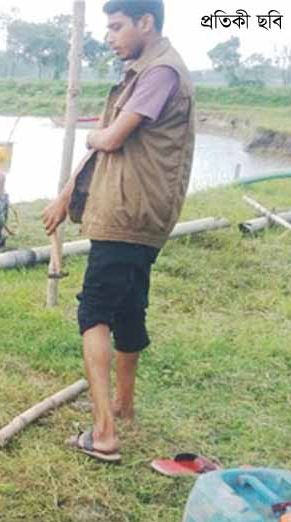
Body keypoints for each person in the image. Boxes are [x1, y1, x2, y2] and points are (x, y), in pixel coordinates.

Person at [41, 0, 195, 463]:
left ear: (145, 23)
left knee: (95, 313)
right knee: (129, 309)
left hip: (127, 214)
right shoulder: (146, 72)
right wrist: (68, 194)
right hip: (140, 213)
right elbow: (114, 151)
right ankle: (123, 408)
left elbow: (110, 140)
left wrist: (91, 133)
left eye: (116, 27)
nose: (109, 36)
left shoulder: (160, 73)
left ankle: (104, 431)